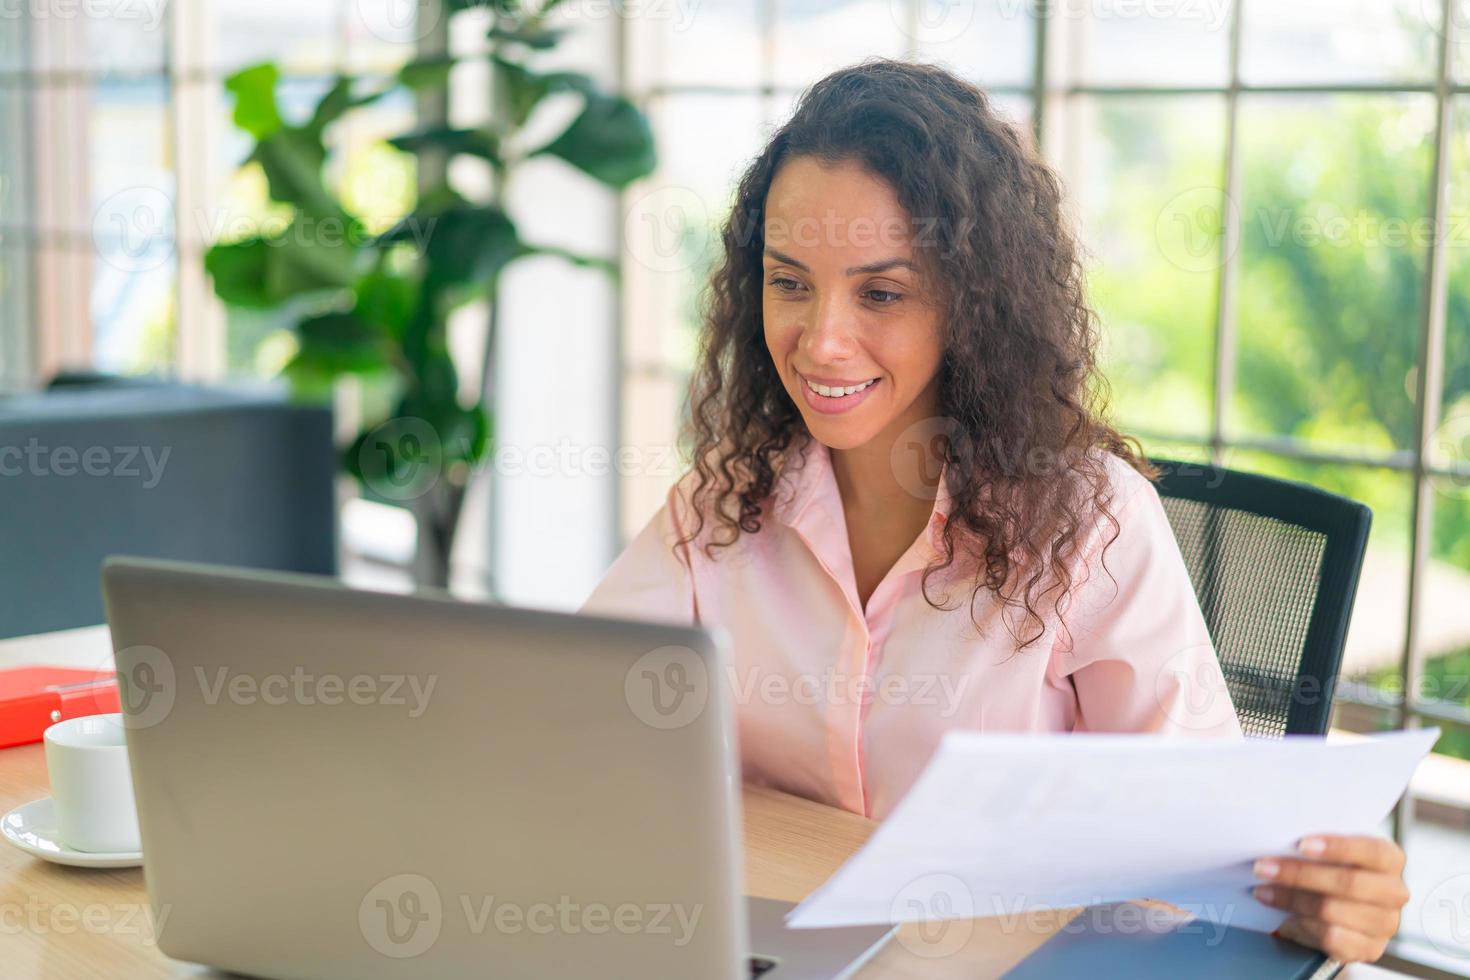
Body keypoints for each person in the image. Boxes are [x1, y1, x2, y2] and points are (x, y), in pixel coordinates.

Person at [582, 59, 1410, 964]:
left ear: (972, 305)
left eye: (881, 293)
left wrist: (1328, 893)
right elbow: (576, 725)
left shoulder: (1092, 524)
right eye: (789, 282)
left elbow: (1216, 844)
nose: (819, 339)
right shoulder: (724, 499)